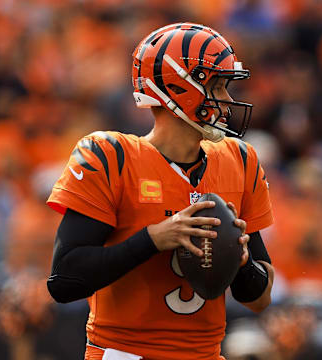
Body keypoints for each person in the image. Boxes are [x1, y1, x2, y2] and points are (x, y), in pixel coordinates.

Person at [46, 22, 275, 360]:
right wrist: (152, 239)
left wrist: (241, 265)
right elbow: (65, 281)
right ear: (180, 88)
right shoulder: (111, 156)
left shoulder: (239, 159)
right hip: (124, 353)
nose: (227, 102)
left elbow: (260, 299)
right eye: (219, 87)